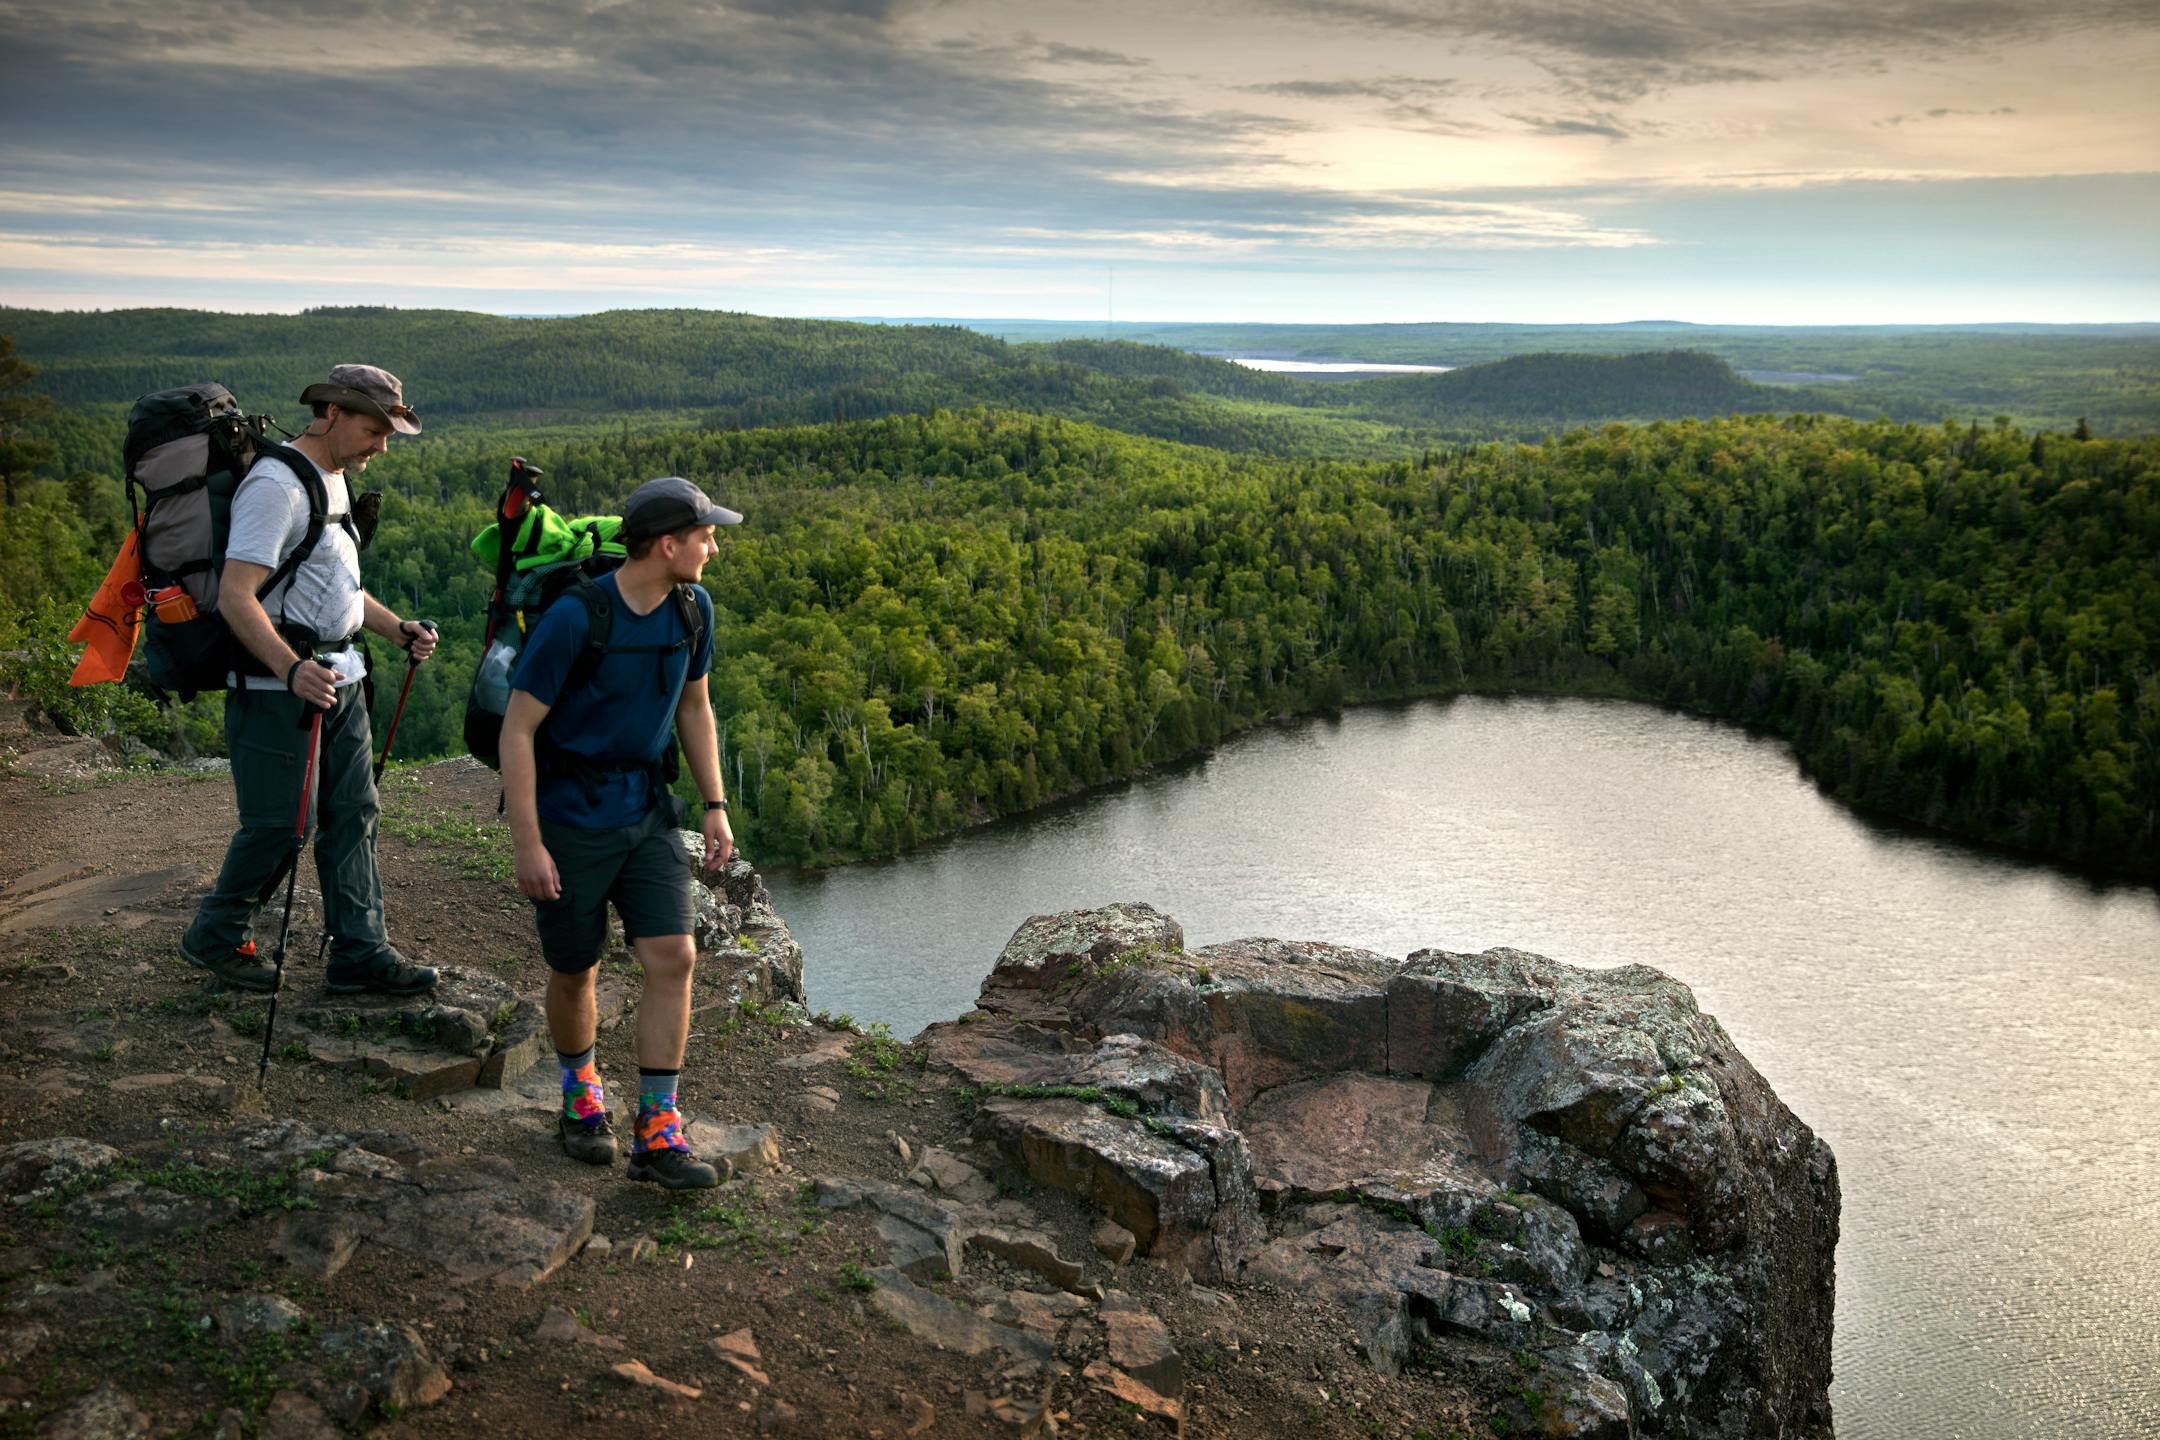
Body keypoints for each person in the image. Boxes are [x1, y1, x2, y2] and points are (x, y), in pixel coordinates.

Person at [501, 476, 740, 1190]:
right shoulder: (576, 619)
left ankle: (658, 1129)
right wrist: (528, 842)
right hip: (571, 818)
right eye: (705, 536)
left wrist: (714, 803)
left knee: (675, 955)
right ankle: (580, 1095)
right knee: (577, 968)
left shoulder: (692, 608)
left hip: (646, 811)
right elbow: (518, 728)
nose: (714, 548)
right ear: (667, 544)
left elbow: (694, 707)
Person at [179, 364, 441, 996]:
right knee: (280, 824)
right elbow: (237, 596)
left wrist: (396, 628)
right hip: (280, 690)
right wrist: (290, 669)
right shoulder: (276, 487)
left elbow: (336, 585)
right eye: (374, 431)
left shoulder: (334, 478)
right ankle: (216, 934)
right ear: (331, 414)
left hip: (340, 677)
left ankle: (359, 952)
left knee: (353, 814)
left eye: (388, 434)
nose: (382, 447)